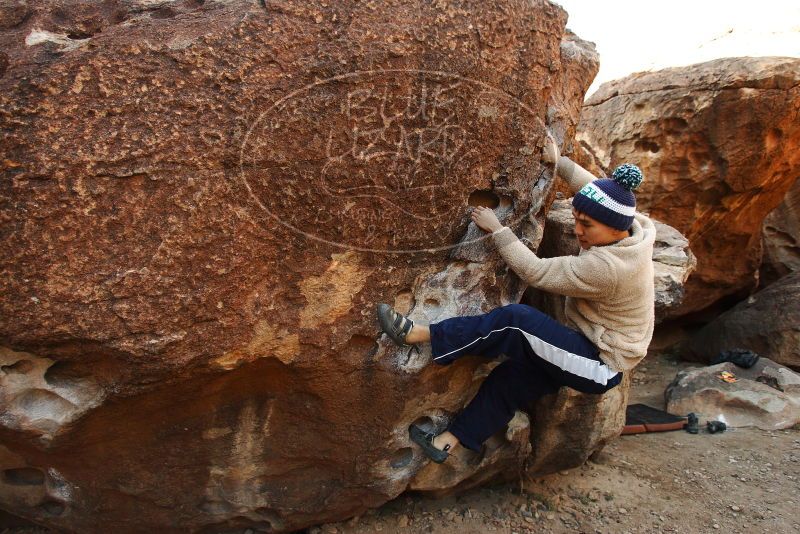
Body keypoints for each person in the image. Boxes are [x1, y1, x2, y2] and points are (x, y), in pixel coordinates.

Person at [377, 134, 657, 463]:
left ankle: (422, 335)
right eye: (577, 219)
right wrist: (559, 162)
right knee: (510, 380)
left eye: (587, 225)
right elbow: (595, 188)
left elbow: (535, 272)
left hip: (599, 363)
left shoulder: (608, 268)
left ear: (614, 229)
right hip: (583, 345)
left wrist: (496, 228)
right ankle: (445, 443)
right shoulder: (633, 224)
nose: (578, 230)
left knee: (515, 322)